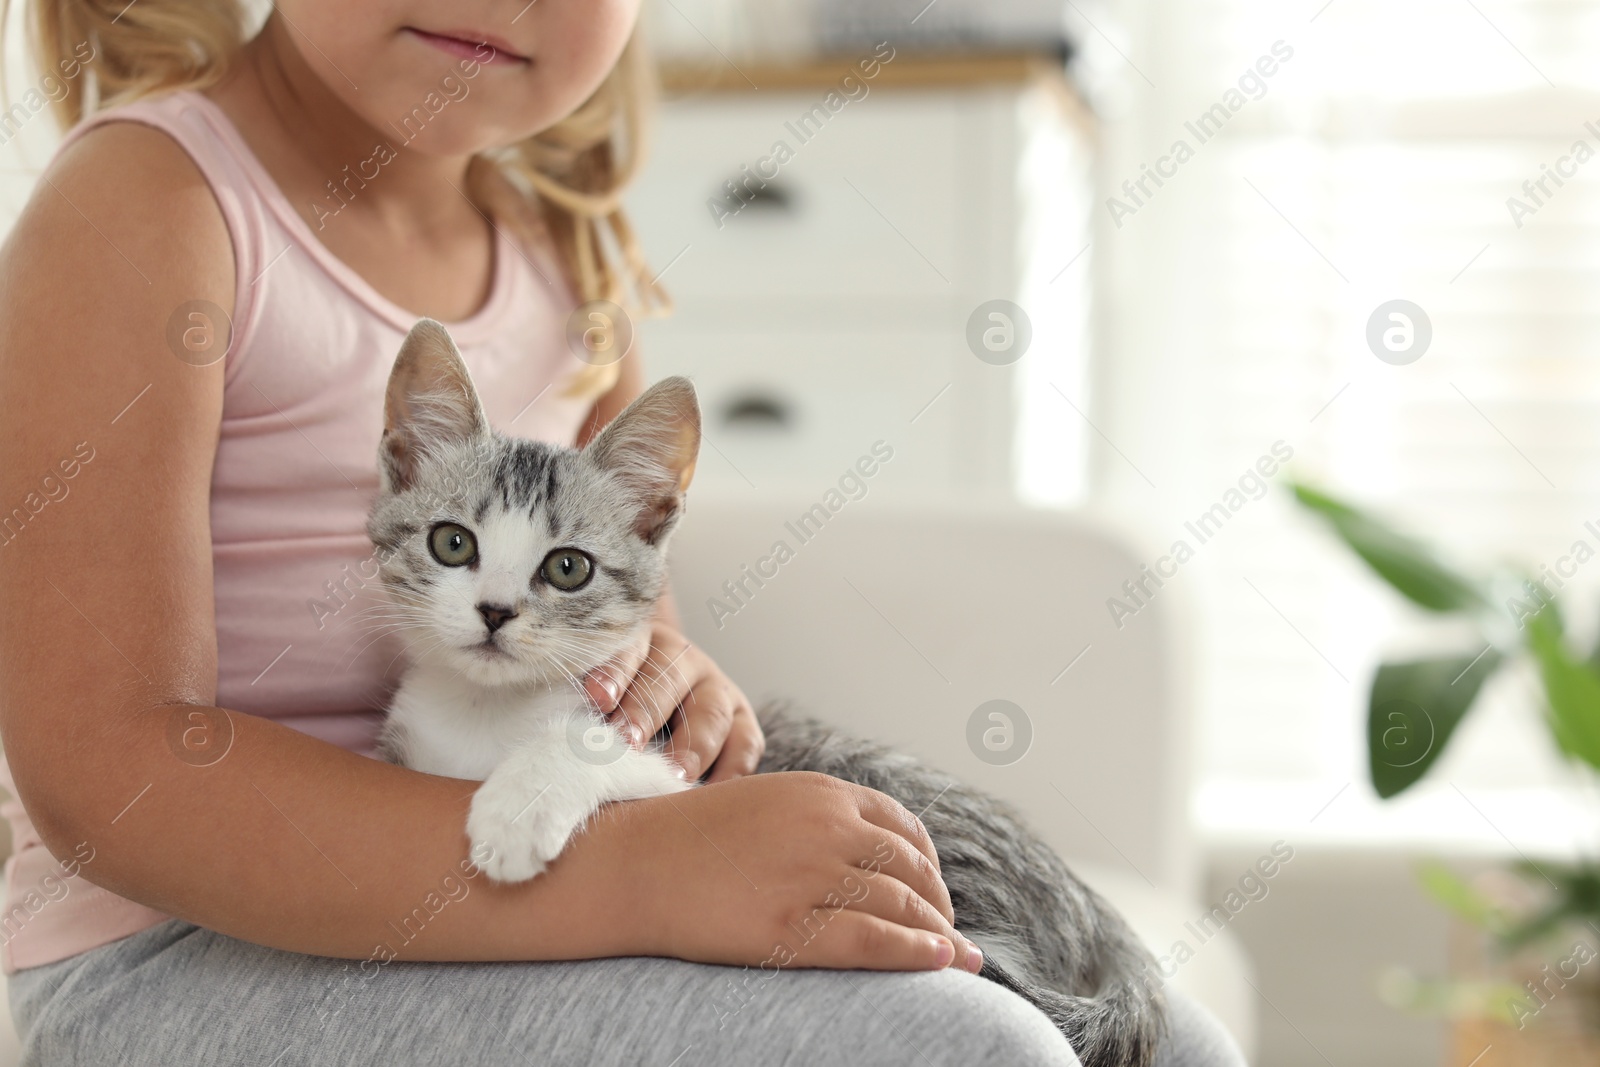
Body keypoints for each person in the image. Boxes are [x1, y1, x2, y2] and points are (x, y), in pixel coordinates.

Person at [0, 2, 1244, 1063]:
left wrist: (674, 684)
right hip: (173, 955)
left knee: (1171, 1033)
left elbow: (627, 652)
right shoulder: (152, 204)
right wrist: (640, 875)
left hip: (521, 851)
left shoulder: (568, 256)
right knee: (973, 1048)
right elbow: (115, 774)